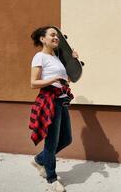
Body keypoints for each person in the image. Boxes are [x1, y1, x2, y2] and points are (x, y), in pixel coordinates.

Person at [28, 25, 79, 192]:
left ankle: (39, 160)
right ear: (43, 39)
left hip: (62, 102)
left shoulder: (56, 58)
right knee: (52, 142)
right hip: (51, 102)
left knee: (67, 139)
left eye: (57, 36)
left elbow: (68, 80)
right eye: (52, 35)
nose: (56, 38)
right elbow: (33, 83)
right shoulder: (39, 57)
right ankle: (51, 180)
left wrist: (73, 61)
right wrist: (54, 79)